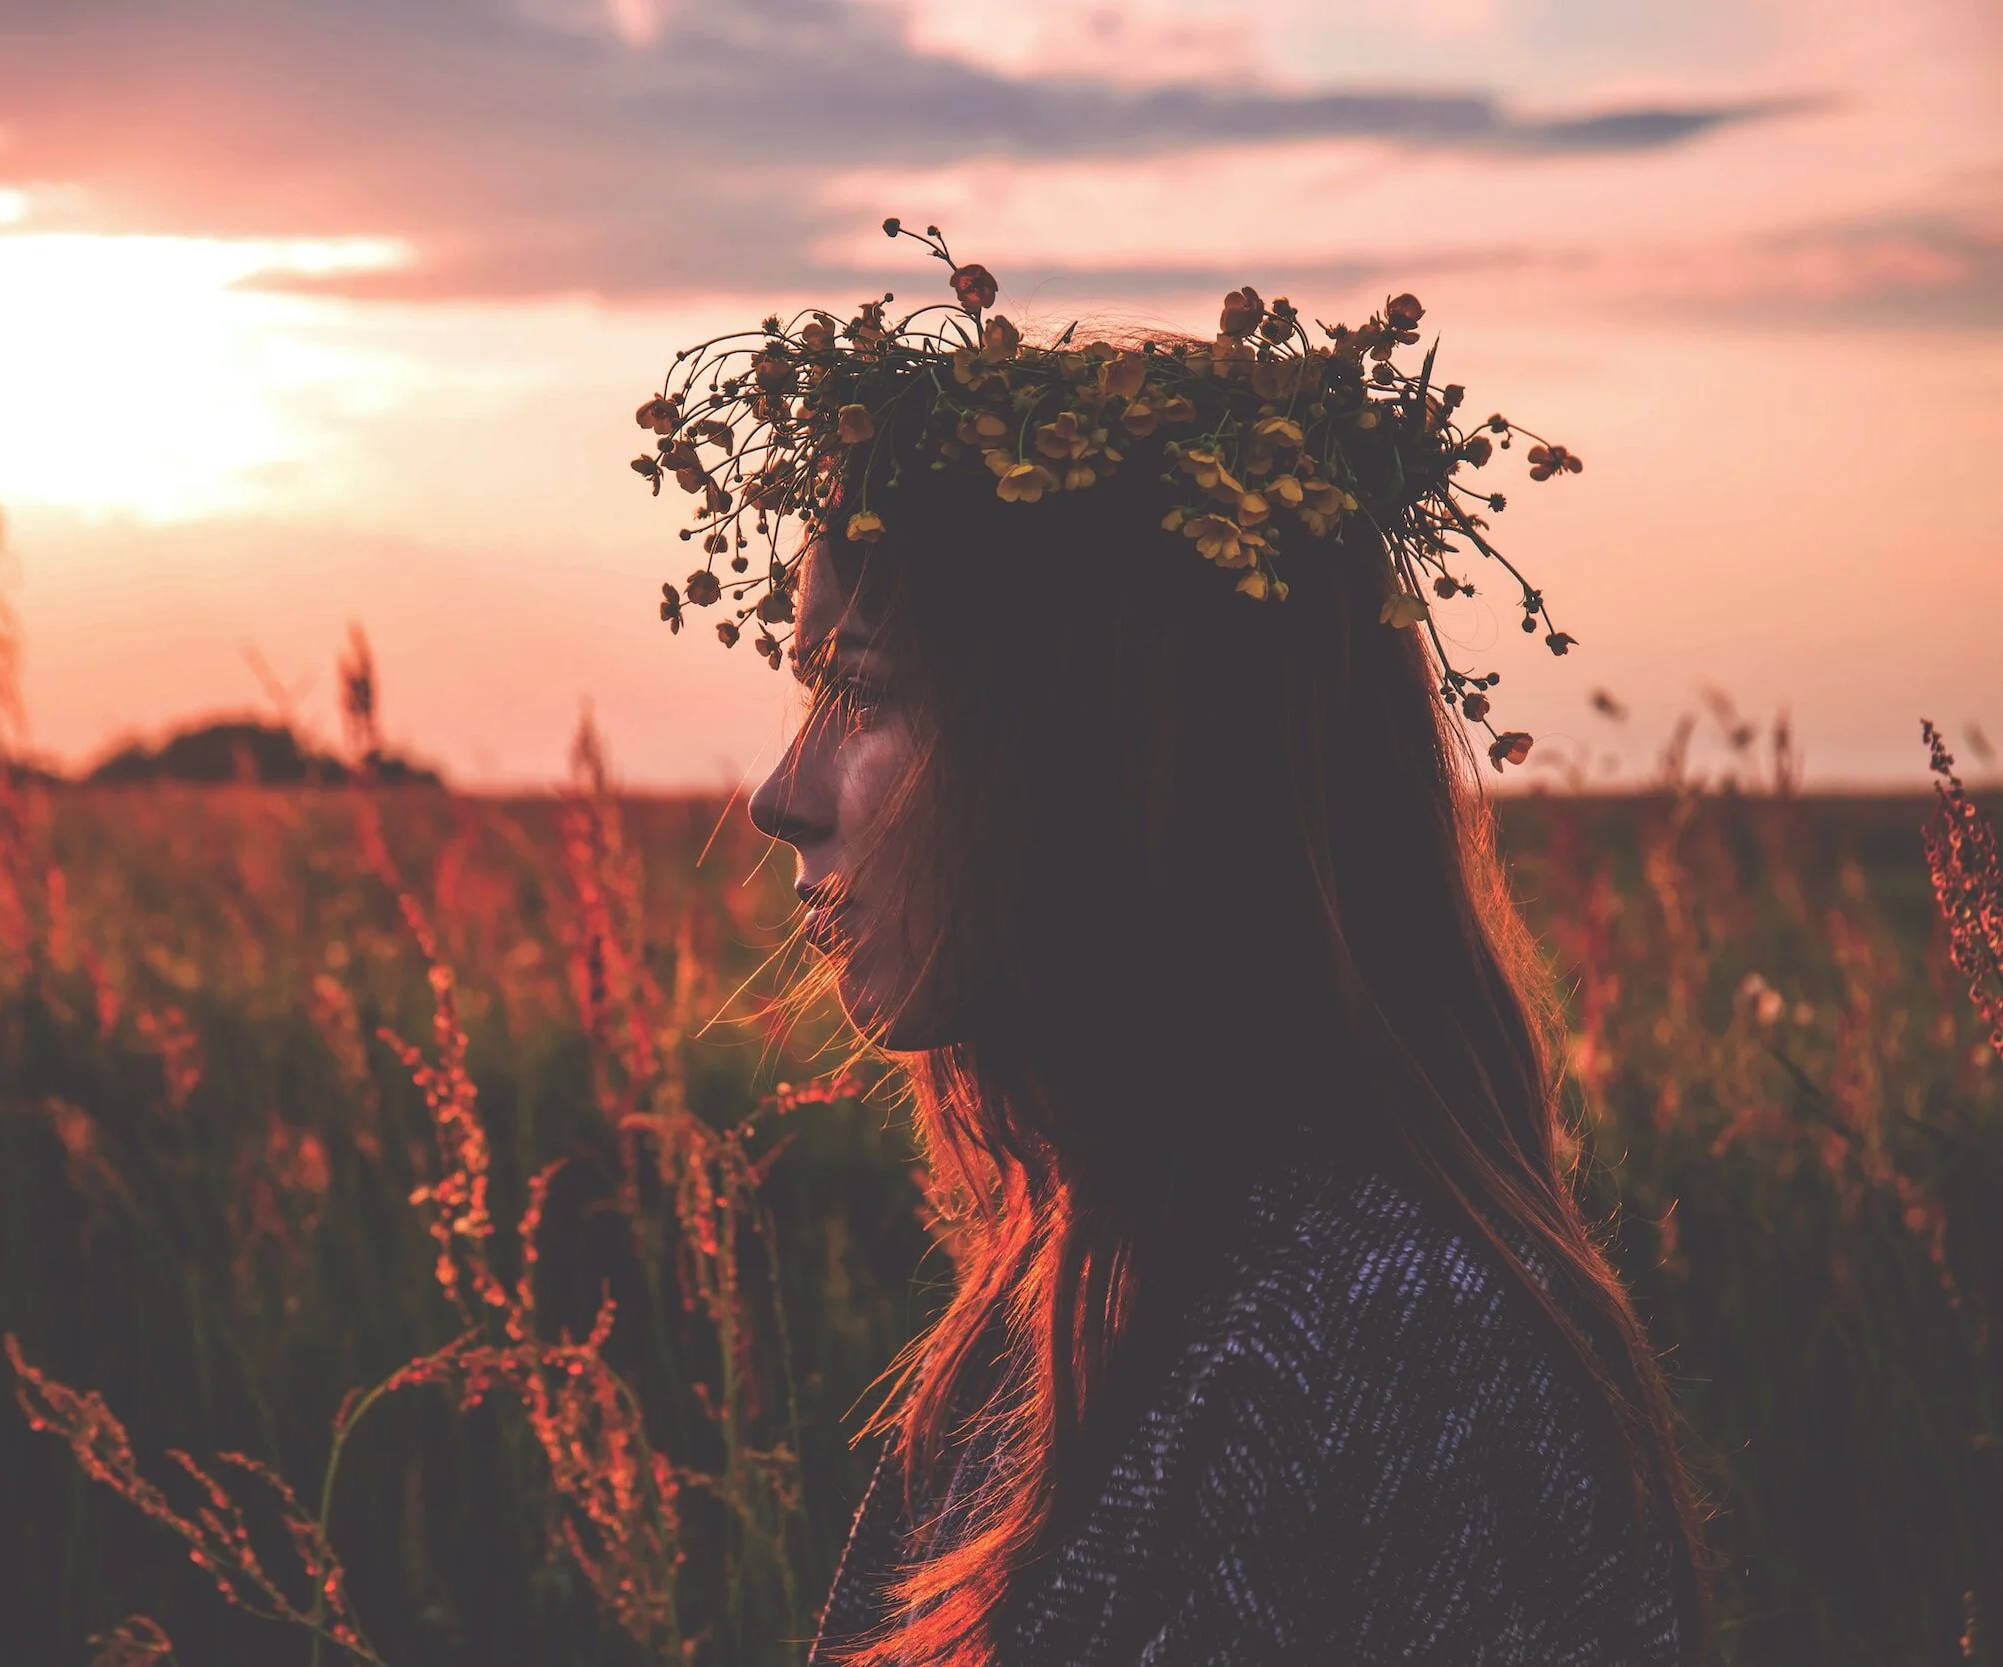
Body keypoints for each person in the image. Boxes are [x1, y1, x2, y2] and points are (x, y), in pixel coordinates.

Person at [632, 223, 1707, 1666]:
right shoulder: (1076, 1297)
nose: (780, 795)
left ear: (1106, 761)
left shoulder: (1384, 1352)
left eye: (867, 691)